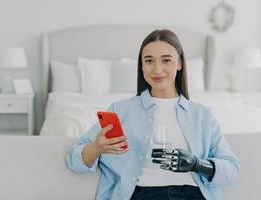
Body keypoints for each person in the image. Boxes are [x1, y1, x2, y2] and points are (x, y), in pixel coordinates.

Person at [67, 29, 239, 200]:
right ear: (142, 66)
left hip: (192, 194)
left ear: (179, 64)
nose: (157, 69)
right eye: (149, 61)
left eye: (166, 60)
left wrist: (196, 164)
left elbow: (232, 168)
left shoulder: (202, 116)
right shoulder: (120, 111)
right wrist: (97, 147)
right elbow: (74, 160)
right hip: (142, 194)